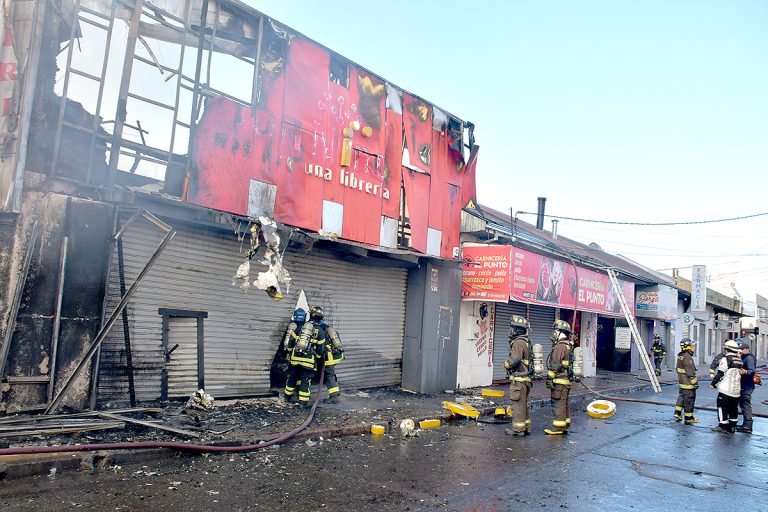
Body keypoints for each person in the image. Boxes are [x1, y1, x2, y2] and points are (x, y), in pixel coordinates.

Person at [283, 307, 326, 407]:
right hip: (308, 361)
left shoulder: (300, 327)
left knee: (292, 378)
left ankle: (287, 397)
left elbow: (290, 344)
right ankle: (303, 402)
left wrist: (290, 352)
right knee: (305, 380)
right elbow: (320, 350)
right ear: (320, 318)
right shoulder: (320, 331)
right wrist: (318, 357)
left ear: (310, 315)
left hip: (295, 359)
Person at [503, 315, 533, 436]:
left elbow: (514, 360)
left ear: (516, 329)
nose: (510, 330)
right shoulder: (526, 341)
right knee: (523, 404)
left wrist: (506, 364)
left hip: (519, 380)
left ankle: (518, 429)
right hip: (526, 380)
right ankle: (526, 427)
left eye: (512, 328)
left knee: (518, 405)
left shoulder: (518, 342)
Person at [545, 319, 574, 435]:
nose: (554, 333)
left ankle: (559, 428)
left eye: (556, 330)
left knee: (558, 403)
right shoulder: (567, 345)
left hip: (560, 381)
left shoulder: (560, 346)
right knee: (564, 403)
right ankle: (564, 425)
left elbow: (555, 364)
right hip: (566, 380)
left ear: (561, 332)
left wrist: (549, 379)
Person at [314, 306, 345, 404]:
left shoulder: (318, 328)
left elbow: (320, 345)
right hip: (335, 356)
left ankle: (334, 397)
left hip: (328, 357)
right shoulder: (328, 327)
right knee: (330, 373)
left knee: (329, 374)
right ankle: (335, 394)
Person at [710, 340, 743, 434]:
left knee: (722, 407)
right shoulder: (739, 359)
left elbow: (720, 373)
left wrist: (713, 383)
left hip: (726, 390)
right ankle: (732, 426)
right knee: (733, 408)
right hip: (736, 390)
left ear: (727, 349)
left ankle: (723, 425)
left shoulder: (726, 359)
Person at [674, 338, 700, 425]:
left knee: (681, 397)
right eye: (692, 346)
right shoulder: (687, 357)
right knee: (689, 400)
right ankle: (689, 418)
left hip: (682, 382)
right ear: (687, 347)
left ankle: (677, 413)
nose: (694, 348)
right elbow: (690, 372)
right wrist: (695, 383)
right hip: (688, 383)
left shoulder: (680, 355)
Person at [736, 340, 756, 433]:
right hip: (743, 384)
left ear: (746, 350)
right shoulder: (743, 357)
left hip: (747, 385)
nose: (739, 351)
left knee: (745, 404)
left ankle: (748, 425)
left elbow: (752, 371)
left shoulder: (749, 358)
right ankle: (745, 424)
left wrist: (745, 372)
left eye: (741, 349)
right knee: (743, 404)